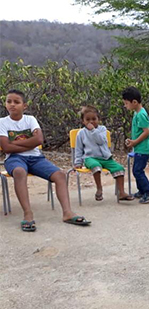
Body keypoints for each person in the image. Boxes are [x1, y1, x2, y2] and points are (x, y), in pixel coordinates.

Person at [0, 89, 91, 231]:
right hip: (14, 159)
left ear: (24, 106)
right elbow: (6, 148)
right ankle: (28, 214)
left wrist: (15, 144)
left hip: (36, 158)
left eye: (16, 102)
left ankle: (67, 213)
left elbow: (39, 140)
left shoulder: (30, 120)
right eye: (9, 101)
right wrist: (28, 143)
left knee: (60, 175)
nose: (12, 104)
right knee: (19, 172)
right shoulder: (2, 122)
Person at [74, 106, 134, 202]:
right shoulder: (81, 133)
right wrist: (78, 162)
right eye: (88, 119)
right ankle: (99, 188)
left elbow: (101, 141)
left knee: (119, 168)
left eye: (94, 119)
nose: (91, 122)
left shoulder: (102, 130)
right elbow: (78, 149)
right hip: (90, 158)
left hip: (105, 158)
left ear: (99, 119)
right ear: (83, 121)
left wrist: (93, 130)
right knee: (95, 166)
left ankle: (121, 192)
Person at [122, 86, 149, 204]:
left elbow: (147, 132)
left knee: (137, 171)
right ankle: (142, 190)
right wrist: (132, 141)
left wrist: (135, 142)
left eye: (126, 103)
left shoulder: (141, 114)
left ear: (134, 102)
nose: (125, 106)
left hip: (143, 149)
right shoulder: (136, 113)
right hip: (139, 148)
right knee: (136, 170)